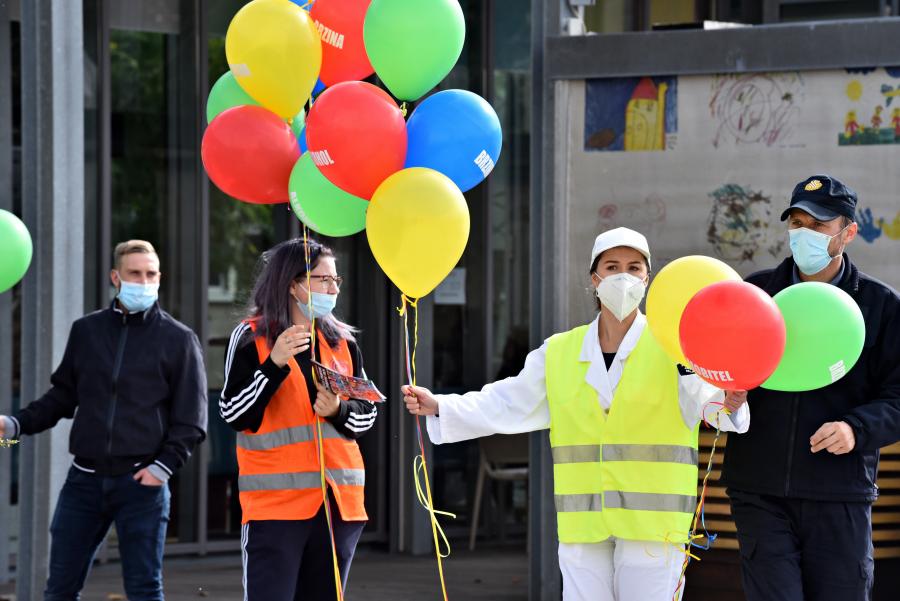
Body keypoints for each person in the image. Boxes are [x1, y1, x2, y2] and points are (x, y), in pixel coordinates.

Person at [404, 227, 750, 601]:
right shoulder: (559, 352)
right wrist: (443, 405)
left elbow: (710, 404)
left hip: (654, 527)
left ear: (647, 279)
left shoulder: (674, 347)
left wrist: (731, 404)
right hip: (584, 523)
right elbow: (508, 400)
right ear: (594, 277)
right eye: (612, 266)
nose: (623, 276)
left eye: (634, 268)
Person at [721, 175, 900, 601]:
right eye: (797, 223)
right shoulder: (755, 293)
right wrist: (723, 393)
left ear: (848, 233)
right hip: (759, 489)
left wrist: (857, 429)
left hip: (840, 492)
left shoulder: (880, 305)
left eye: (818, 225)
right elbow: (711, 372)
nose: (805, 234)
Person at [0, 240, 208, 601]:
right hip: (84, 482)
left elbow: (191, 419)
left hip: (142, 484)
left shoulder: (179, 339)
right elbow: (62, 397)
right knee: (60, 589)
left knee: (144, 589)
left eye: (151, 274)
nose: (144, 281)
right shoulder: (87, 331)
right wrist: (15, 426)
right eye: (134, 273)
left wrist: (162, 467)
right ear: (116, 277)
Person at [220, 238, 377, 601]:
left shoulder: (343, 342)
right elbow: (234, 413)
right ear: (293, 283)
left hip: (339, 505)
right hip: (275, 507)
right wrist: (273, 364)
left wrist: (339, 411)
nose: (332, 288)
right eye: (323, 280)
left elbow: (367, 414)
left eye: (336, 281)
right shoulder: (251, 336)